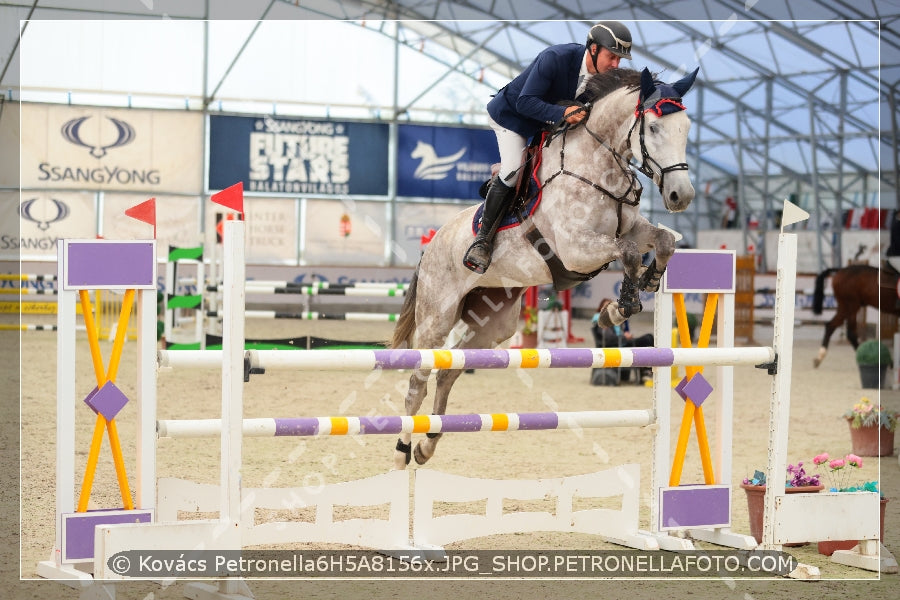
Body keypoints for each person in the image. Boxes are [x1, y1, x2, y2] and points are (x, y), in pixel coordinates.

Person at [463, 21, 634, 274]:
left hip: (546, 125)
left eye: (620, 59)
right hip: (513, 118)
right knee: (512, 170)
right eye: (612, 57)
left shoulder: (604, 79)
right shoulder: (555, 58)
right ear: (595, 49)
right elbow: (525, 102)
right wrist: (563, 112)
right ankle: (482, 241)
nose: (616, 65)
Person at [591, 298, 654, 384]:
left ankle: (645, 371)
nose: (608, 309)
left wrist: (625, 335)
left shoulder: (613, 319)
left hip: (621, 343)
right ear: (601, 308)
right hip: (615, 346)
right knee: (647, 339)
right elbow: (609, 338)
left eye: (610, 306)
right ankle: (646, 372)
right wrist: (624, 337)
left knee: (648, 338)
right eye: (605, 306)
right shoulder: (602, 320)